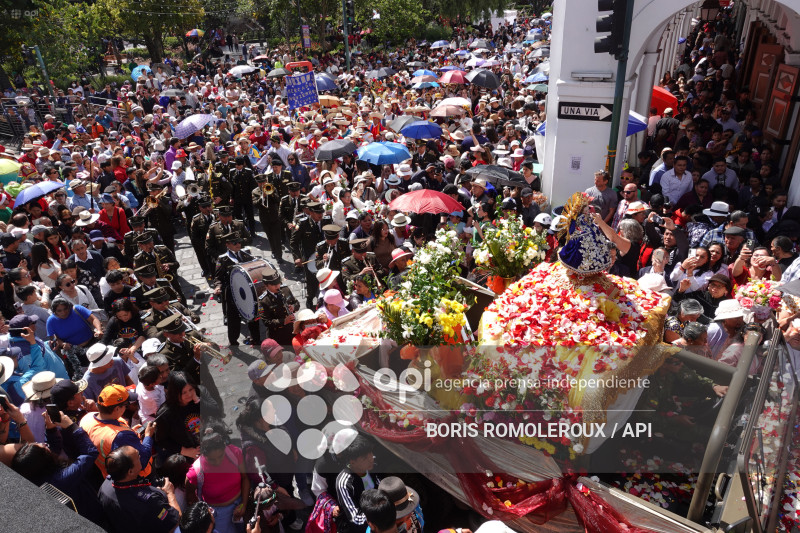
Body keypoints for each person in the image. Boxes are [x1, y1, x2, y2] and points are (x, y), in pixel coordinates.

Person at [11, 406, 107, 527]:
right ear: (43, 460)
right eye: (44, 447)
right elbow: (90, 453)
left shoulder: (35, 474)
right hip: (94, 519)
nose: (44, 443)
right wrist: (72, 427)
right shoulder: (61, 479)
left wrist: (51, 430)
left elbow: (54, 449)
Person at [98, 445, 181, 533]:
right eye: (137, 456)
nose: (140, 456)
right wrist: (169, 493)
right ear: (130, 471)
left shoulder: (105, 486)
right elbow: (175, 522)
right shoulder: (151, 502)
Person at [79, 384, 155, 478]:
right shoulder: (120, 436)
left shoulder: (87, 418)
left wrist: (131, 432)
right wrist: (148, 436)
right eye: (126, 405)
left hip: (110, 476)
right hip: (136, 478)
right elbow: (142, 461)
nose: (126, 408)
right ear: (117, 408)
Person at [185, 431, 251, 533]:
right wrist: (207, 516)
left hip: (240, 504)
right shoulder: (196, 472)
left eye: (221, 456)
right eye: (211, 459)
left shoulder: (235, 453)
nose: (217, 462)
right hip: (216, 516)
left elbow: (245, 478)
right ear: (203, 454)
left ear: (225, 449)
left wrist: (244, 504)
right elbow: (190, 497)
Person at [154, 371, 222, 460]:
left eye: (191, 389)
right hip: (192, 455)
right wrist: (185, 451)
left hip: (213, 444)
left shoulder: (200, 392)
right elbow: (161, 440)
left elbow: (216, 411)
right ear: (175, 392)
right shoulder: (165, 413)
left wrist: (198, 400)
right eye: (184, 392)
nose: (189, 394)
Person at [336, 434, 379, 533]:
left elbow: (381, 487)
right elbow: (356, 518)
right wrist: (380, 514)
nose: (372, 459)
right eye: (365, 458)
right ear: (352, 462)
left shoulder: (373, 467)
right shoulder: (344, 483)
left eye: (371, 453)